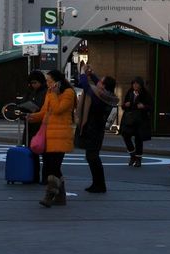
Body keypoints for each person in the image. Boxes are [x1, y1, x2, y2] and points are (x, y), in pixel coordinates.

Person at [26, 68, 76, 206]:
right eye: (47, 81)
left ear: (58, 81)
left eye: (50, 81)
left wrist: (54, 94)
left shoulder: (68, 93)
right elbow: (45, 112)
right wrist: (33, 117)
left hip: (60, 135)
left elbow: (58, 110)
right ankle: (61, 196)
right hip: (48, 134)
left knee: (54, 167)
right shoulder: (50, 92)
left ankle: (50, 195)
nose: (47, 84)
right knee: (51, 167)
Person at [76, 72, 118, 193]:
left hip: (93, 129)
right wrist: (92, 74)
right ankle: (97, 183)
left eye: (101, 81)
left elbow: (86, 86)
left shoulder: (100, 97)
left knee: (92, 157)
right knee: (92, 157)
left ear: (104, 86)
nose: (98, 82)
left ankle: (99, 184)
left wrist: (84, 73)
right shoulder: (107, 95)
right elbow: (96, 84)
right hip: (96, 129)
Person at [19, 70, 49, 182]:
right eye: (31, 83)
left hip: (40, 126)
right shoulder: (30, 92)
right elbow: (22, 104)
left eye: (35, 82)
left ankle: (44, 177)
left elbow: (43, 108)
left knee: (44, 153)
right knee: (31, 152)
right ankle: (32, 175)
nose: (33, 85)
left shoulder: (46, 92)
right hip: (30, 125)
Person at [120, 77, 153, 167]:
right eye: (134, 83)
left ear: (141, 85)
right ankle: (132, 154)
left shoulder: (145, 94)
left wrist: (144, 107)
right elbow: (123, 105)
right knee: (125, 135)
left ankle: (138, 159)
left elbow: (151, 107)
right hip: (129, 120)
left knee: (138, 139)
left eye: (137, 84)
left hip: (140, 120)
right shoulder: (130, 93)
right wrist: (125, 105)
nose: (135, 85)